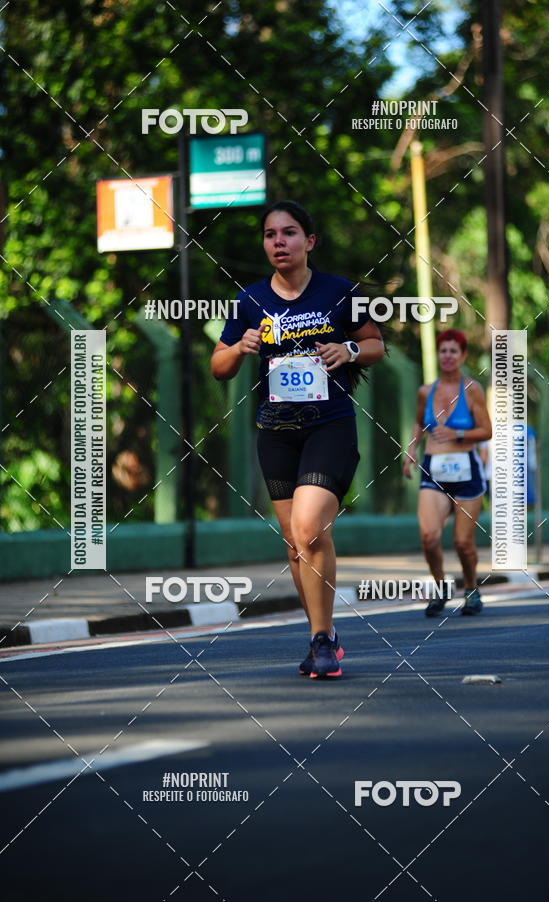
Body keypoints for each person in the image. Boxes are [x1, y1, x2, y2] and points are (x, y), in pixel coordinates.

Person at [211, 200, 385, 676]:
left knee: (310, 529)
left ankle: (322, 639)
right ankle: (321, 636)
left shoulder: (339, 291)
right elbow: (218, 366)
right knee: (293, 542)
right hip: (276, 433)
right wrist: (240, 347)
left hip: (329, 426)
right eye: (270, 235)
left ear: (309, 242)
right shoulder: (249, 301)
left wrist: (348, 349)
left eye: (288, 233)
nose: (279, 242)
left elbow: (375, 344)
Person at [402, 329, 492, 616]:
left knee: (463, 543)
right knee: (429, 537)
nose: (448, 356)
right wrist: (411, 449)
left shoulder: (473, 390)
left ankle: (471, 589)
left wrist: (457, 433)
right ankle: (441, 587)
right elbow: (419, 422)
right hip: (434, 470)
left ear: (463, 355)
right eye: (443, 350)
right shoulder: (425, 391)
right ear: (438, 354)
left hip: (467, 471)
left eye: (454, 351)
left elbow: (486, 430)